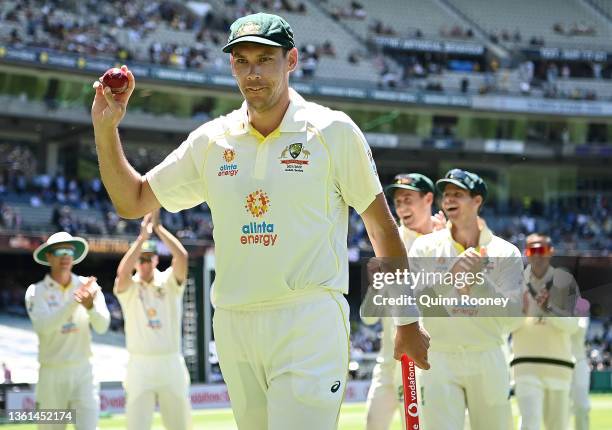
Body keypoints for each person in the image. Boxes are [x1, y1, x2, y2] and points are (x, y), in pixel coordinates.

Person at [91, 12, 429, 430]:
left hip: (308, 320)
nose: (253, 73)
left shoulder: (332, 131)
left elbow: (381, 229)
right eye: (242, 61)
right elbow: (133, 200)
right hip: (234, 323)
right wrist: (106, 131)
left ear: (291, 61)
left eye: (265, 59)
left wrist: (408, 321)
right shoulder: (212, 140)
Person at [408, 169, 524, 430]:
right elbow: (414, 302)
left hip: (488, 355)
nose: (449, 200)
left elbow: (514, 318)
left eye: (458, 194)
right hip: (437, 357)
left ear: (477, 201)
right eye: (446, 194)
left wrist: (480, 285)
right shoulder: (425, 247)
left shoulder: (506, 252)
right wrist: (451, 278)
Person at [362, 173, 441, 430]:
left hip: (431, 362)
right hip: (389, 361)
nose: (401, 207)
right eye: (397, 201)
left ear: (428, 199)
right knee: (374, 424)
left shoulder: (447, 241)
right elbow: (368, 316)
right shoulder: (389, 243)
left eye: (408, 199)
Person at [114, 211, 191, 430]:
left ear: (156, 259)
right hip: (139, 365)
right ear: (137, 261)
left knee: (180, 426)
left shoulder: (168, 281)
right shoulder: (129, 287)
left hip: (170, 362)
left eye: (149, 259)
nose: (145, 264)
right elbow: (122, 274)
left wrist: (158, 229)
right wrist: (142, 239)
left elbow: (182, 258)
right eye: (142, 259)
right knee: (136, 425)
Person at [25, 232, 110, 430]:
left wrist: (89, 307)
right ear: (48, 256)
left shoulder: (89, 286)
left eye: (69, 251)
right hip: (51, 374)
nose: (65, 256)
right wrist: (75, 302)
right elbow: (43, 327)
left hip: (83, 373)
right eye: (59, 251)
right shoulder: (36, 291)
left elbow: (103, 326)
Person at [511, 233, 581, 430]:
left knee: (558, 426)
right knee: (530, 424)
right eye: (532, 250)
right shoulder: (515, 282)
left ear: (551, 252)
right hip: (525, 367)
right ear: (526, 252)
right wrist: (520, 312)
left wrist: (550, 309)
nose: (537, 255)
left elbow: (573, 326)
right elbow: (506, 327)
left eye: (542, 250)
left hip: (559, 368)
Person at [571, 317, 591, 430]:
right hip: (560, 364)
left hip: (579, 363)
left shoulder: (581, 305)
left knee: (582, 407)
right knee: (562, 409)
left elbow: (579, 329)